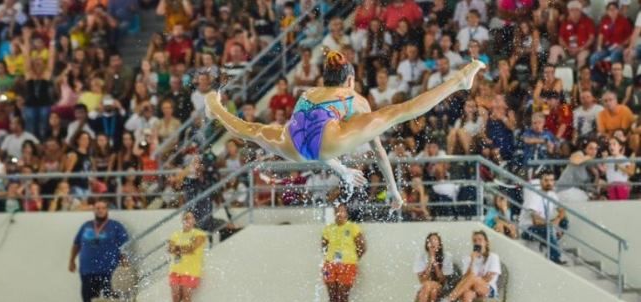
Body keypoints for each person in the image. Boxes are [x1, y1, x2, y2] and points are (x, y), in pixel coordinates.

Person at [205, 50, 486, 210]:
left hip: (291, 145)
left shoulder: (308, 92)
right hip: (323, 146)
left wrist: (341, 170)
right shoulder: (352, 98)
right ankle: (460, 80)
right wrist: (393, 191)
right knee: (396, 112)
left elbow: (311, 140)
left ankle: (213, 104)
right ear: (349, 79)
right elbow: (377, 150)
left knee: (248, 128)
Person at [69, 200, 129, 302]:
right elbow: (76, 244)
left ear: (107, 210)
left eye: (103, 208)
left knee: (111, 299)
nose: (100, 210)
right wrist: (71, 260)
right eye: (97, 208)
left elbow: (124, 247)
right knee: (88, 299)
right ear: (94, 210)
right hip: (88, 269)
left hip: (109, 270)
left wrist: (125, 263)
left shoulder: (116, 226)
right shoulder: (86, 226)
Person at [435, 230, 502, 302]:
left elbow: (488, 278)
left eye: (480, 240)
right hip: (472, 289)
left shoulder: (493, 257)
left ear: (486, 242)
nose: (477, 242)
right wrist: (472, 261)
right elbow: (465, 278)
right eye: (475, 240)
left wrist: (474, 280)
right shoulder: (468, 258)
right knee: (466, 295)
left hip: (487, 289)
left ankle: (448, 300)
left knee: (472, 278)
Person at [321, 204, 366, 302]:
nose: (339, 213)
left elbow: (362, 247)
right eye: (337, 211)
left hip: (348, 265)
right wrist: (330, 258)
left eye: (342, 211)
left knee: (343, 296)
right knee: (332, 296)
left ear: (346, 213)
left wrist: (351, 259)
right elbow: (323, 245)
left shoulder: (353, 227)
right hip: (330, 265)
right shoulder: (328, 229)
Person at [166, 211, 207, 302]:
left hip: (192, 271)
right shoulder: (175, 234)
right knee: (175, 298)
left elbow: (192, 248)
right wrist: (185, 248)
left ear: (194, 221)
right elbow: (169, 249)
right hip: (175, 270)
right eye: (185, 218)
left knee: (187, 297)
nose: (187, 220)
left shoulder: (200, 234)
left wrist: (178, 248)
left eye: (190, 218)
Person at [519, 170, 569, 265]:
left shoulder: (552, 195)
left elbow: (562, 211)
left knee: (564, 222)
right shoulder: (534, 195)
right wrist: (552, 225)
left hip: (544, 225)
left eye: (551, 180)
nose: (549, 183)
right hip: (527, 229)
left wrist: (557, 220)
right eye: (546, 180)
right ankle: (554, 257)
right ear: (540, 181)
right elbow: (536, 221)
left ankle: (547, 241)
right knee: (547, 229)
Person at [409, 233, 455, 302]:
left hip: (440, 288)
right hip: (425, 288)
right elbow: (423, 280)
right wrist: (430, 261)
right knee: (430, 290)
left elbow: (442, 280)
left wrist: (435, 264)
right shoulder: (420, 257)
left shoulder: (447, 256)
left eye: (435, 240)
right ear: (427, 244)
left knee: (430, 287)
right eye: (431, 241)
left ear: (439, 244)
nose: (433, 243)